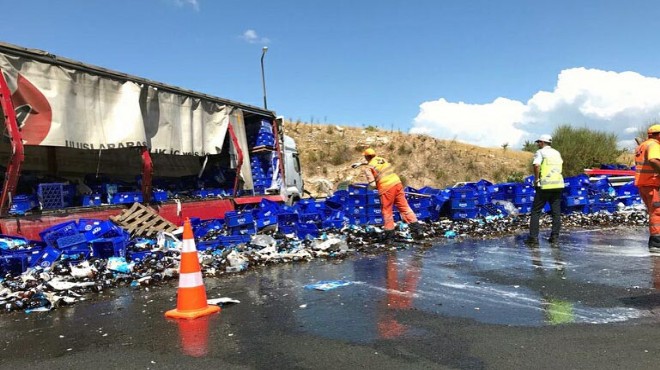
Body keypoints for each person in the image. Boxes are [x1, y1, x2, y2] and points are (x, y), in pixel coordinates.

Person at [352, 148, 420, 238]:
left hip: (386, 188)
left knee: (387, 211)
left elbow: (372, 185)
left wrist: (368, 188)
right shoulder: (382, 160)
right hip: (397, 183)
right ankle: (417, 229)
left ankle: (390, 235)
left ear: (366, 156)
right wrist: (360, 164)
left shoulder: (368, 168)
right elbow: (374, 164)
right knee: (404, 207)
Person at [526, 134, 564, 245]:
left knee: (536, 211)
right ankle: (555, 238)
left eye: (538, 142)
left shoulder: (540, 152)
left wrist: (536, 180)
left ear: (542, 142)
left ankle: (533, 239)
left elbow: (536, 165)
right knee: (556, 212)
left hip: (545, 186)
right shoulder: (557, 153)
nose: (537, 144)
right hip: (558, 185)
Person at [634, 124, 660, 252]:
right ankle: (657, 243)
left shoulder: (643, 145)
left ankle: (654, 241)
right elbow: (653, 160)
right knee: (657, 213)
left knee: (653, 212)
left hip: (644, 184)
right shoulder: (654, 145)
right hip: (653, 184)